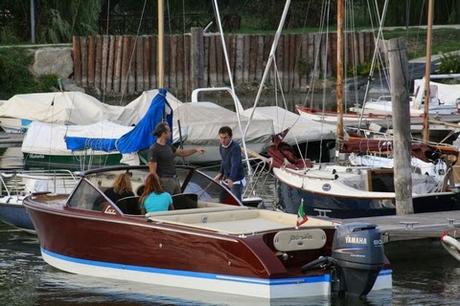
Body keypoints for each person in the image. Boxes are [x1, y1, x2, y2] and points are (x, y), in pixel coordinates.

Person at [149, 122, 205, 195]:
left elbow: (182, 153)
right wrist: (158, 186)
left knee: (178, 201)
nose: (171, 133)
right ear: (163, 133)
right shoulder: (154, 149)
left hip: (174, 179)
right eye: (169, 131)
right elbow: (153, 172)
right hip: (164, 181)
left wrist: (195, 150)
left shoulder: (168, 146)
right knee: (168, 204)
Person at [214, 126, 245, 201]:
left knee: (236, 203)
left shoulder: (235, 147)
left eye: (225, 138)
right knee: (222, 201)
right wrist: (220, 173)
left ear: (230, 137)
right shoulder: (221, 146)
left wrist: (231, 179)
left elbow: (235, 164)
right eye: (221, 138)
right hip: (226, 178)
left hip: (236, 180)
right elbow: (224, 161)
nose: (223, 140)